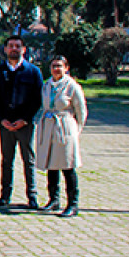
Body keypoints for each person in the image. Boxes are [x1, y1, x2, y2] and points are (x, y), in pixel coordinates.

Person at [0, 35, 43, 208]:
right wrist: (1, 119)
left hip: (24, 125)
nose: (14, 49)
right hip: (5, 125)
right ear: (5, 49)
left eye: (17, 46)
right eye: (11, 46)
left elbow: (37, 99)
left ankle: (32, 196)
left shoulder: (33, 71)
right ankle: (5, 195)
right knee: (7, 161)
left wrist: (25, 119)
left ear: (23, 49)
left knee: (28, 160)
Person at [37, 55, 86, 218]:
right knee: (51, 164)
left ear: (66, 68)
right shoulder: (47, 85)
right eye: (53, 66)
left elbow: (81, 111)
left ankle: (72, 203)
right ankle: (53, 199)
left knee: (67, 165)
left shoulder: (72, 86)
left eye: (59, 66)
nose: (56, 69)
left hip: (65, 126)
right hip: (49, 125)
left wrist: (76, 129)